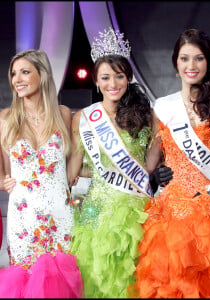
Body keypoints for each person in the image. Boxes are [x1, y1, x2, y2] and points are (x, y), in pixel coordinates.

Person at [129, 28, 210, 298]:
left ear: (208, 62)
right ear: (176, 65)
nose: (192, 66)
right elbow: (152, 161)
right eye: (184, 58)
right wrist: (150, 177)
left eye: (199, 58)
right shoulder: (163, 107)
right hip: (172, 213)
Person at [67, 27, 172, 298]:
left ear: (127, 78)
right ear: (96, 82)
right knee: (98, 282)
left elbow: (149, 167)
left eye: (119, 76)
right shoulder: (84, 118)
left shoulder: (146, 115)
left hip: (136, 211)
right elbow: (75, 169)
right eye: (105, 77)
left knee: (134, 282)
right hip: (95, 214)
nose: (113, 83)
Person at [0, 49, 83, 297]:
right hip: (23, 217)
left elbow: (71, 171)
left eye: (25, 72)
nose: (17, 79)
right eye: (14, 74)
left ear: (43, 75)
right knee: (25, 282)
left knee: (62, 282)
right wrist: (3, 180)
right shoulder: (5, 118)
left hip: (61, 214)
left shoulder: (63, 114)